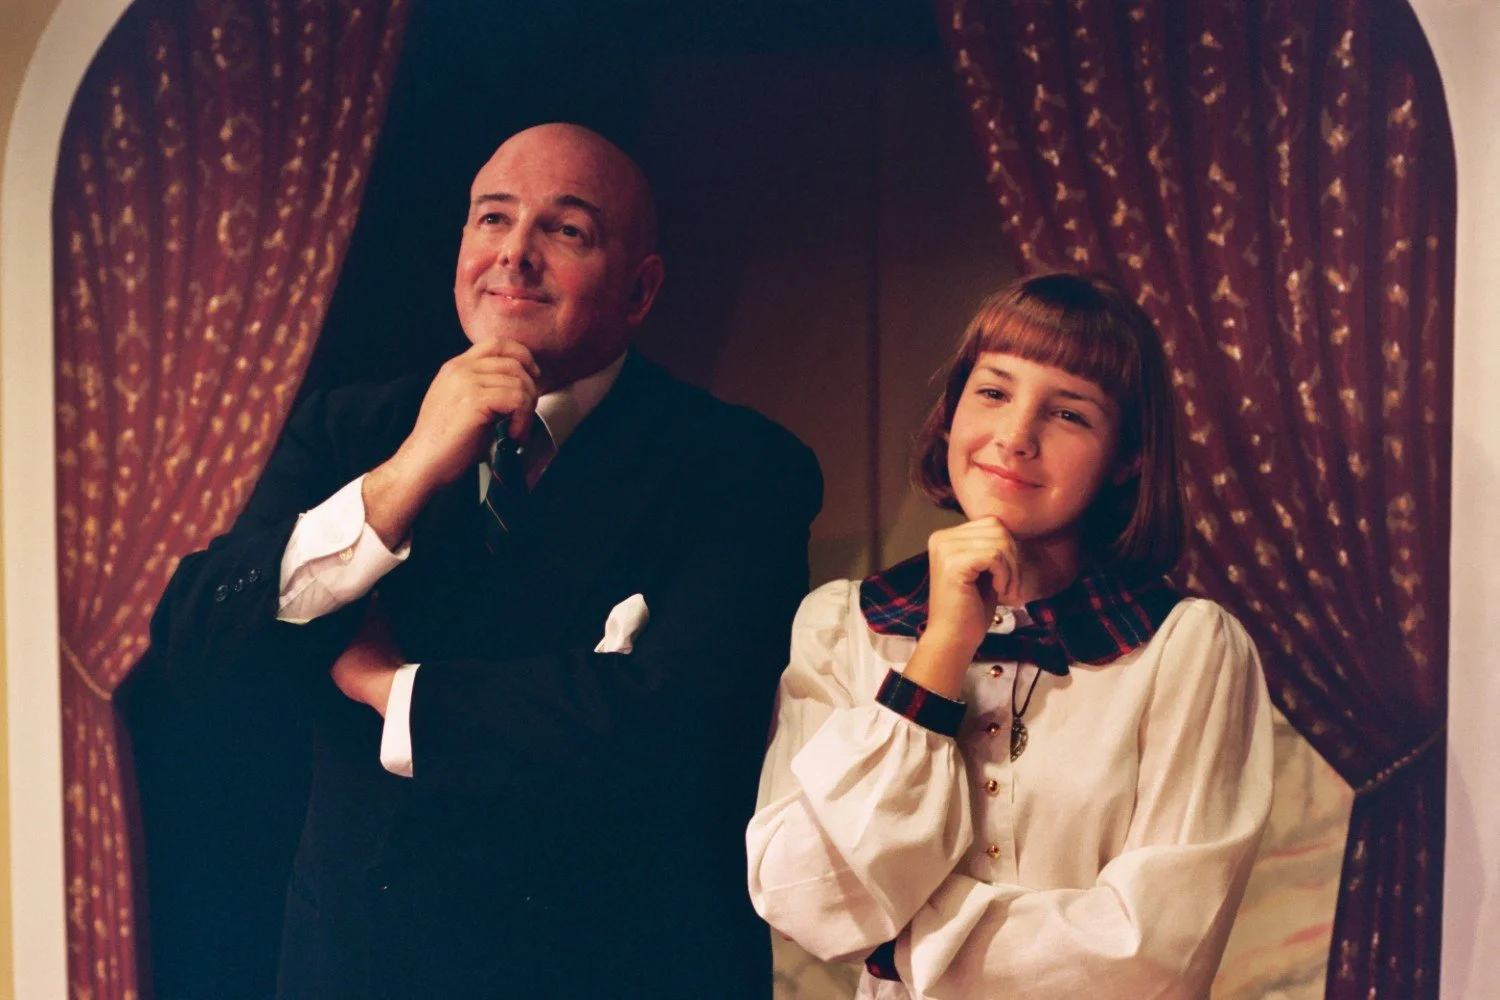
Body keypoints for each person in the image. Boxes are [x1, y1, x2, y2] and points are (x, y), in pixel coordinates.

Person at [148, 122, 822, 999]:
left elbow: (678, 732)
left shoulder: (742, 465)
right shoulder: (350, 429)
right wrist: (406, 475)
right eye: (491, 219)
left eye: (566, 230)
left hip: (618, 967)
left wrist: (390, 688)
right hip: (359, 963)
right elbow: (195, 643)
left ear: (641, 290)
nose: (515, 255)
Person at [746, 271, 1273, 999]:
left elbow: (1152, 957)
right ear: (952, 411)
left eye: (1069, 414)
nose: (1015, 437)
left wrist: (901, 941)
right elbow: (803, 899)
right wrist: (938, 654)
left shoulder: (1188, 649)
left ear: (1128, 457)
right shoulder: (841, 624)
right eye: (993, 392)